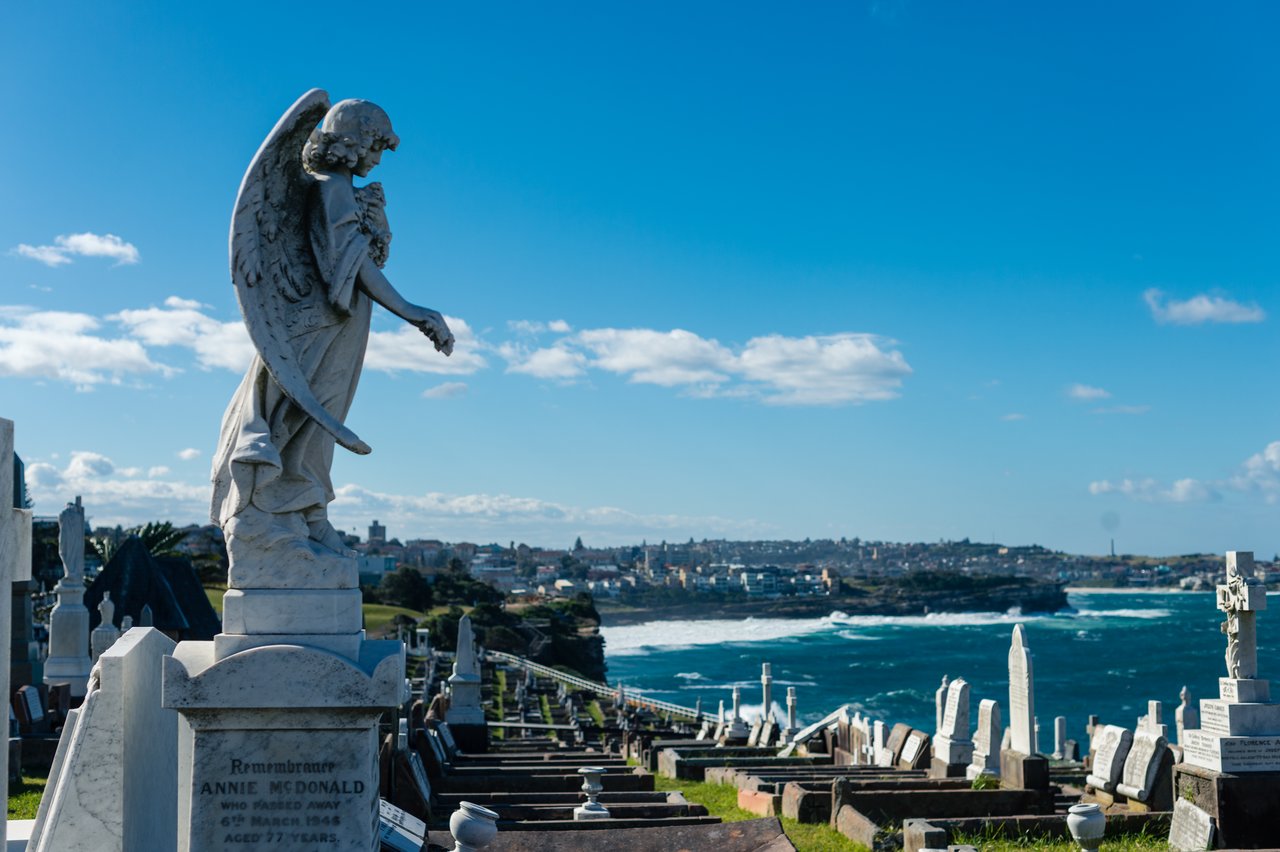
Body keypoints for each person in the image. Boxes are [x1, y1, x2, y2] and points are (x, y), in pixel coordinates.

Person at [211, 99, 453, 565]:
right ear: (354, 140)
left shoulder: (338, 189)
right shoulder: (331, 189)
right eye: (376, 146)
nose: (378, 159)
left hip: (337, 324)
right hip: (313, 327)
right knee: (296, 417)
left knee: (313, 426)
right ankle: (266, 515)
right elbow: (349, 260)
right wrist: (412, 310)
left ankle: (304, 512)